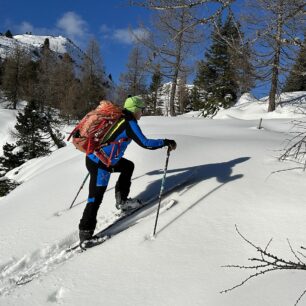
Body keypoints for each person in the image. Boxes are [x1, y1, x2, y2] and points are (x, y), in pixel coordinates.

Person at [79, 96, 177, 243]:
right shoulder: (129, 122)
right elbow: (146, 143)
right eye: (141, 110)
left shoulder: (118, 116)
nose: (142, 113)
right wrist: (166, 142)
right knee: (95, 198)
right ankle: (86, 234)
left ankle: (122, 201)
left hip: (98, 158)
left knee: (127, 166)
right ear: (135, 109)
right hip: (101, 164)